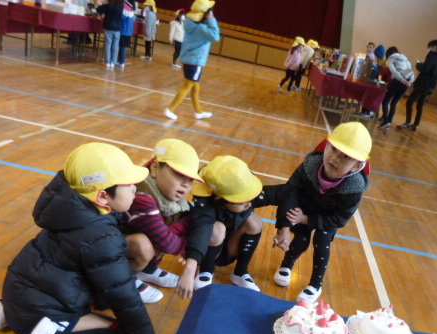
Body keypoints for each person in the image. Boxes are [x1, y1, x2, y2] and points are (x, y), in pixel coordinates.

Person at [0, 143, 155, 334]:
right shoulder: (101, 236)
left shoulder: (69, 209)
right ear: (103, 196)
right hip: (39, 315)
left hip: (16, 299)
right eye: (128, 184)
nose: (135, 188)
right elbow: (121, 293)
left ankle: (6, 315)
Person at [273, 122, 372, 304]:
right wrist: (284, 227)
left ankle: (315, 284)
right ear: (326, 145)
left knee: (322, 242)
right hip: (304, 209)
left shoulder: (354, 188)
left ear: (356, 166)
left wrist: (307, 219)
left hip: (327, 220)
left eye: (346, 157)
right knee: (301, 241)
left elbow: (339, 219)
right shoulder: (308, 166)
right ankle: (286, 264)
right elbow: (289, 193)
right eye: (333, 149)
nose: (335, 158)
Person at [175, 156, 294, 299]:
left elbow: (288, 192)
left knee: (254, 220)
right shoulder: (205, 204)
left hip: (231, 246)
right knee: (216, 229)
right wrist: (190, 269)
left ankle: (240, 272)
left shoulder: (243, 191)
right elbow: (201, 230)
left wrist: (284, 229)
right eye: (242, 202)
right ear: (221, 201)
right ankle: (206, 271)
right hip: (209, 251)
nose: (249, 204)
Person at [121, 138, 204, 303]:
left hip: (128, 243)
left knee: (169, 226)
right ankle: (124, 280)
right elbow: (167, 243)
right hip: (110, 249)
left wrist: (180, 229)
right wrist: (192, 246)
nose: (186, 184)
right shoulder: (142, 195)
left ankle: (147, 270)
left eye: (190, 179)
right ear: (155, 168)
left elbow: (195, 217)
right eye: (179, 175)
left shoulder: (168, 193)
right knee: (144, 244)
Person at [163, 0, 220, 121]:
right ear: (205, 14)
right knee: (187, 85)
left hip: (189, 60)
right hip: (195, 60)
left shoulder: (191, 24)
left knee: (195, 86)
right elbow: (215, 36)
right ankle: (170, 109)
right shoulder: (201, 28)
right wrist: (211, 19)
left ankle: (198, 112)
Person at [398, 40, 437, 131]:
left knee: (409, 102)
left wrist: (419, 64)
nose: (428, 49)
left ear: (434, 47)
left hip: (422, 84)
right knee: (420, 105)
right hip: (430, 86)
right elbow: (432, 70)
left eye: (429, 47)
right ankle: (415, 125)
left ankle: (408, 122)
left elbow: (425, 69)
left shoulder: (432, 55)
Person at [378, 46, 415, 131]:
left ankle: (385, 122)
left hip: (398, 82)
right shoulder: (406, 59)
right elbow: (411, 72)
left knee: (386, 100)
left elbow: (393, 71)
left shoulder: (391, 58)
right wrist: (410, 81)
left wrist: (402, 80)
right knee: (394, 103)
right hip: (406, 83)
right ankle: (389, 122)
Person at [96, 0, 124, 69]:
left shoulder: (108, 5)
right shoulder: (121, 5)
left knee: (108, 45)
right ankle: (113, 62)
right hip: (117, 28)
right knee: (115, 46)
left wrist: (99, 4)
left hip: (108, 27)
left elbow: (99, 11)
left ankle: (107, 62)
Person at [116, 0, 136, 69]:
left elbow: (122, 17)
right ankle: (121, 61)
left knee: (121, 47)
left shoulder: (124, 6)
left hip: (123, 30)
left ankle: (121, 62)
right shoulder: (132, 8)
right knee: (124, 47)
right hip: (129, 31)